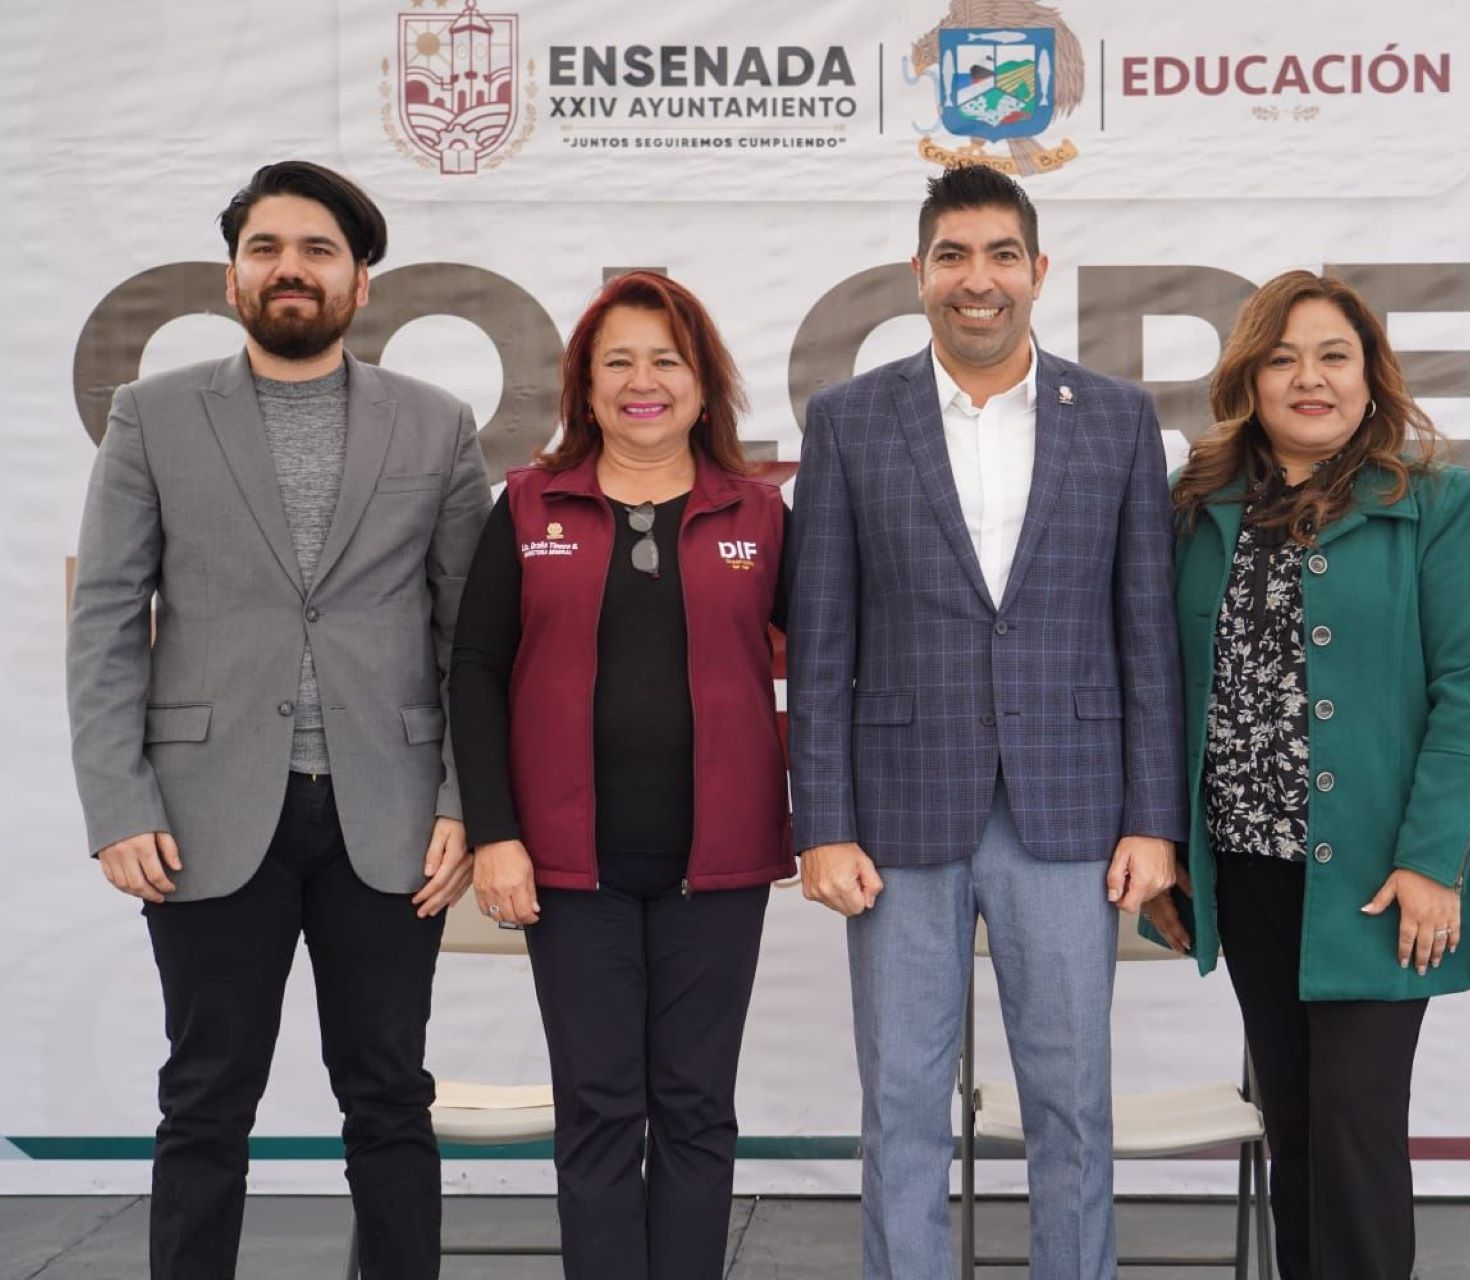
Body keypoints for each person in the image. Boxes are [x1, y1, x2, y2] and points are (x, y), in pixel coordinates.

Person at [65, 160, 491, 1279]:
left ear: (362, 281)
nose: (289, 269)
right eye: (267, 248)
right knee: (205, 1100)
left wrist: (460, 800)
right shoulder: (151, 416)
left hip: (391, 817)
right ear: (232, 273)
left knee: (390, 1095)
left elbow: (472, 642)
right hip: (204, 817)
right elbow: (107, 618)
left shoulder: (439, 426)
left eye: (316, 250)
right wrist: (118, 802)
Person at [786, 165, 1186, 1280]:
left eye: (1001, 254)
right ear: (918, 275)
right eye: (954, 256)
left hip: (1071, 811)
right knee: (904, 1108)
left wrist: (1155, 818)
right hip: (896, 815)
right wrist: (820, 821)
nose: (979, 280)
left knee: (1072, 1104)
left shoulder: (1115, 419)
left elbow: (1146, 635)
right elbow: (820, 642)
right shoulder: (849, 422)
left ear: (1039, 271)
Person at [1139, 270, 1470, 1280]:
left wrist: (1436, 861)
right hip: (1246, 868)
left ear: (1370, 376)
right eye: (1282, 356)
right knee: (1294, 1126)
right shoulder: (1196, 509)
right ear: (1249, 379)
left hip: (1383, 878)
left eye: (1333, 355)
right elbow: (1160, 688)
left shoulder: (1434, 502)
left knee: (1352, 1131)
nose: (1310, 376)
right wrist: (1170, 856)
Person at [449, 270, 791, 1279]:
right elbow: (473, 669)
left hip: (718, 865)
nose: (645, 381)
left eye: (667, 360)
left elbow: (829, 661)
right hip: (566, 868)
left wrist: (830, 820)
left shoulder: (761, 513)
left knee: (694, 1107)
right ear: (584, 386)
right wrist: (496, 831)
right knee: (599, 1107)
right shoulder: (525, 504)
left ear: (703, 381)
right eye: (619, 362)